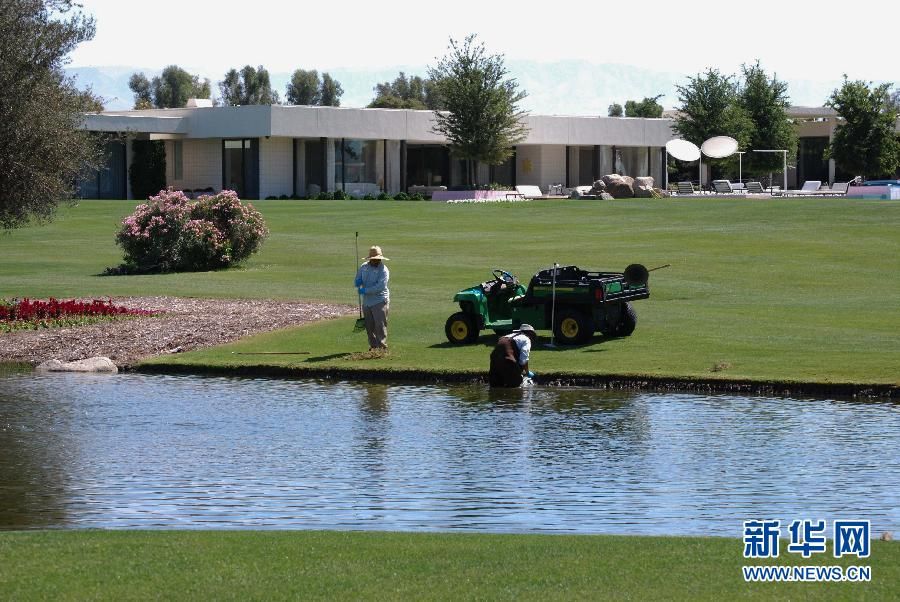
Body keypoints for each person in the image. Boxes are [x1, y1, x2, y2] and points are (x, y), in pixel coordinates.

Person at [354, 245, 390, 350]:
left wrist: (365, 290)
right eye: (374, 259)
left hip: (380, 300)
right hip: (367, 301)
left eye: (378, 259)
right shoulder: (364, 267)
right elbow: (358, 278)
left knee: (380, 325)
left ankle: (382, 346)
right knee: (369, 326)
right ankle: (373, 346)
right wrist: (358, 282)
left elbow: (380, 286)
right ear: (370, 259)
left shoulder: (384, 270)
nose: (377, 261)